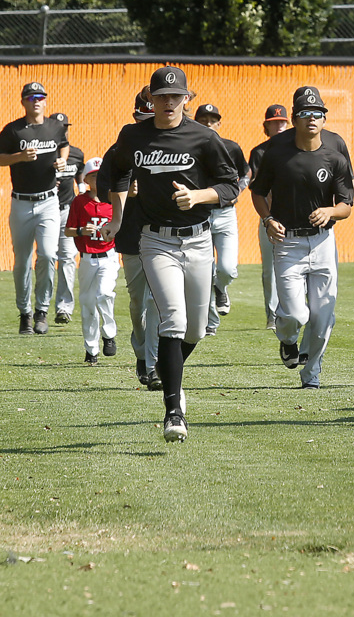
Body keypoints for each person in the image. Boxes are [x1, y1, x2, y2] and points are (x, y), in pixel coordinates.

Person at [101, 66, 239, 443]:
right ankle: (173, 411)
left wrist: (197, 196)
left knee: (196, 329)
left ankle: (166, 366)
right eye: (161, 96)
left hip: (197, 239)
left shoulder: (204, 137)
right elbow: (113, 172)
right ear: (151, 99)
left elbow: (229, 186)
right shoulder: (133, 136)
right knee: (173, 321)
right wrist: (117, 214)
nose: (168, 102)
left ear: (186, 99)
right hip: (155, 240)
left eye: (175, 96)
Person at [250, 88, 354, 389]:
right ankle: (287, 339)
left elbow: (347, 203)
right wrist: (268, 219)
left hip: (322, 242)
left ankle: (311, 375)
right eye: (305, 113)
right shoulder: (276, 152)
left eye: (317, 113)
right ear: (294, 118)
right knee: (295, 313)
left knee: (322, 319)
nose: (312, 118)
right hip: (288, 242)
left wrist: (330, 211)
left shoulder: (335, 153)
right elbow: (257, 192)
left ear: (325, 119)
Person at [0, 82, 70, 336]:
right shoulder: (14, 130)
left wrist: (63, 159)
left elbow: (64, 143)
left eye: (40, 96)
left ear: (45, 101)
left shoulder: (55, 126)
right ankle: (25, 313)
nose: (36, 100)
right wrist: (19, 157)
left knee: (48, 255)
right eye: (30, 97)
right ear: (23, 101)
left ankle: (42, 311)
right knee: (22, 262)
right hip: (21, 202)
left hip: (48, 201)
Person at [100, 92, 161, 388]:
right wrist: (124, 195)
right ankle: (140, 346)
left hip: (163, 234)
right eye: (143, 119)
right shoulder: (120, 149)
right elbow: (102, 191)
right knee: (138, 302)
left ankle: (152, 365)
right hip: (132, 232)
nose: (148, 125)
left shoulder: (170, 147)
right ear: (135, 116)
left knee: (156, 302)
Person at [194, 103, 249, 336]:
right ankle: (210, 323)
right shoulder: (189, 147)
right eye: (203, 120)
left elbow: (246, 172)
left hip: (225, 213)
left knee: (226, 268)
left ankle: (221, 287)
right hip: (200, 214)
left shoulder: (230, 147)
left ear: (219, 123)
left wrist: (236, 192)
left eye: (212, 120)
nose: (208, 124)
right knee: (204, 270)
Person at [65, 157, 118, 365]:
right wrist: (81, 230)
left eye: (101, 175)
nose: (97, 179)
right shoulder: (79, 201)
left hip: (109, 257)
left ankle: (109, 334)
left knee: (104, 293)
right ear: (86, 179)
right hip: (87, 259)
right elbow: (68, 230)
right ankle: (91, 350)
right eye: (93, 176)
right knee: (87, 304)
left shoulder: (115, 199)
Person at [250, 105, 289, 330]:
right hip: (270, 217)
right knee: (270, 268)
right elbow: (258, 189)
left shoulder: (298, 149)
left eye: (282, 121)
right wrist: (267, 217)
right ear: (267, 126)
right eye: (274, 122)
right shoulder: (260, 152)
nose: (279, 125)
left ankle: (293, 310)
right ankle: (272, 315)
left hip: (295, 217)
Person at [53, 124, 85, 325]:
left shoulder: (76, 154)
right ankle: (41, 309)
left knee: (67, 258)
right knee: (46, 258)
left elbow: (80, 169)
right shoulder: (45, 153)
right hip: (45, 208)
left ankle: (64, 308)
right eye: (58, 128)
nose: (62, 132)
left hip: (67, 209)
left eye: (64, 128)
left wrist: (81, 186)